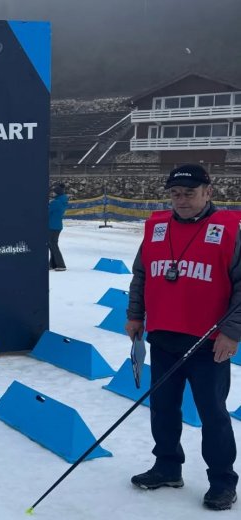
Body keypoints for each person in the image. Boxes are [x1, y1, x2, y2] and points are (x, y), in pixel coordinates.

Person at [124, 164, 239, 511]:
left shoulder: (230, 231)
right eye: (175, 193)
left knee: (212, 414)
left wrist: (232, 333)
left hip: (208, 342)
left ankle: (222, 482)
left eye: (189, 193)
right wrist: (134, 315)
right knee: (163, 409)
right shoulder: (157, 228)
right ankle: (167, 467)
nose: (182, 200)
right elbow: (141, 275)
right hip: (163, 337)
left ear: (208, 192)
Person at [48, 183, 68, 271]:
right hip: (56, 226)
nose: (53, 194)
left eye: (54, 192)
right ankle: (53, 264)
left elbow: (47, 211)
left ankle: (61, 265)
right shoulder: (62, 201)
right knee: (52, 245)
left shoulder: (56, 202)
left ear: (58, 193)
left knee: (53, 245)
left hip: (52, 226)